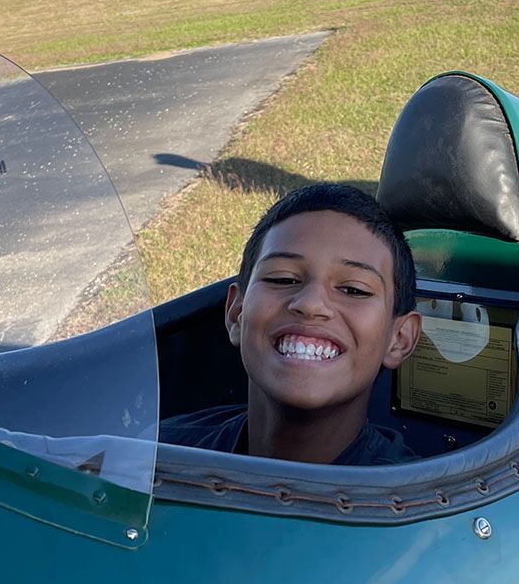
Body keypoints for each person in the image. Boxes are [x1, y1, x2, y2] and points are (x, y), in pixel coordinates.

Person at [161, 182, 422, 466]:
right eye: (282, 279)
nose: (310, 304)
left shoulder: (420, 504)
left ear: (399, 338)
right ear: (237, 313)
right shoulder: (153, 458)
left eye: (353, 290)